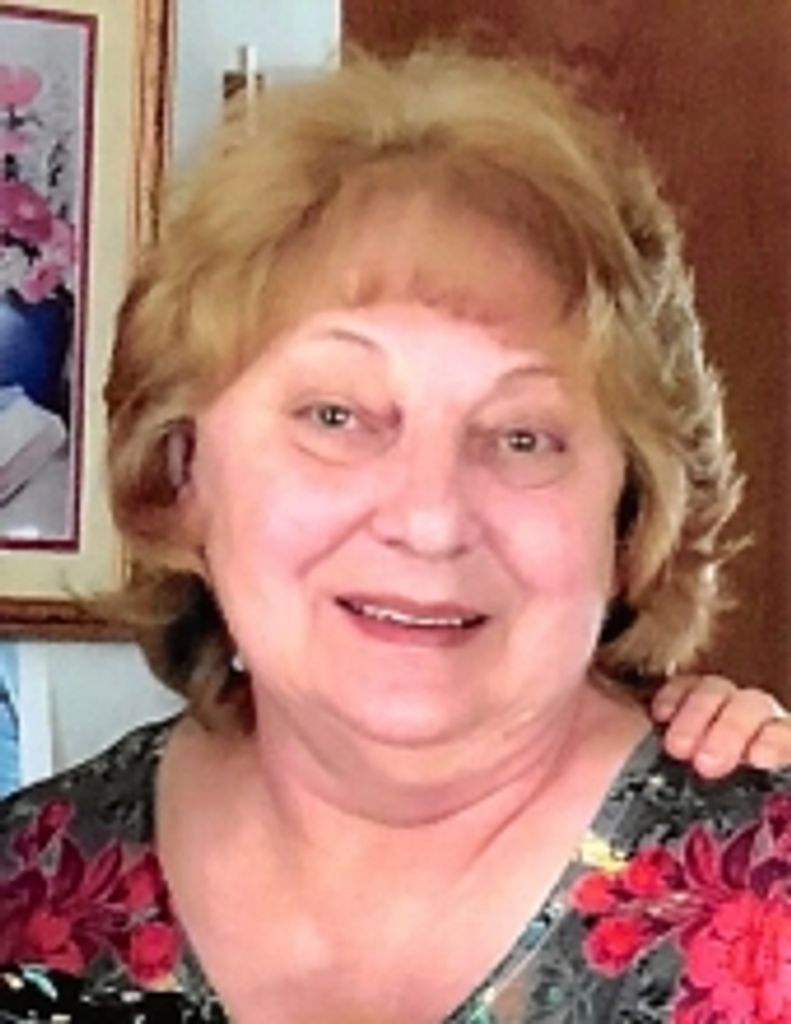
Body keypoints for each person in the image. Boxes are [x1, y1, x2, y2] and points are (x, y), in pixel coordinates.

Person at [0, 44, 789, 1023]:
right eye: (335, 416)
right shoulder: (26, 889)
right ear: (182, 466)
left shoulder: (767, 897)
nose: (427, 519)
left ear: (629, 510)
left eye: (521, 436)